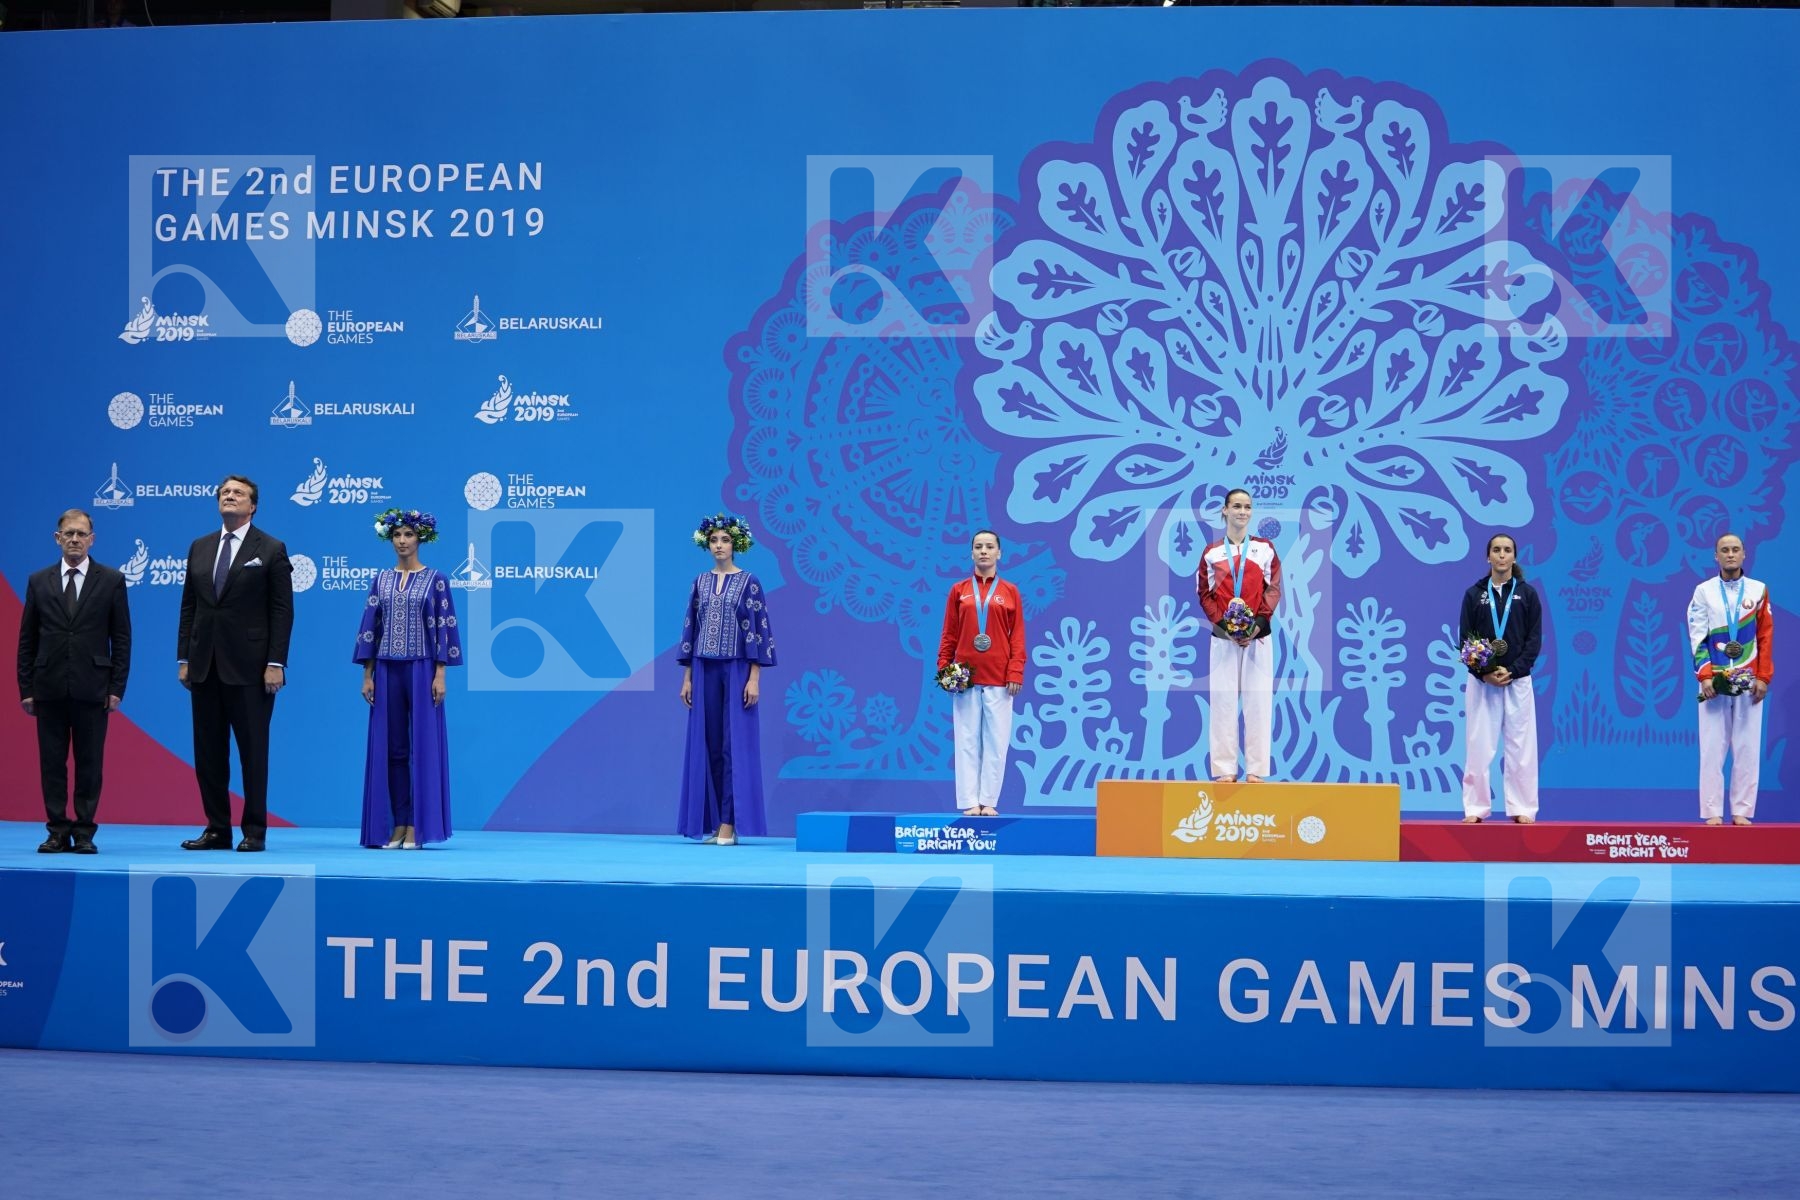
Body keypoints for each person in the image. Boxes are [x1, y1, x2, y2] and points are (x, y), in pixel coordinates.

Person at [176, 475, 293, 852]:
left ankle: (254, 830)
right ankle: (217, 829)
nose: (229, 496)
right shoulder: (200, 546)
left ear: (253, 505)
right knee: (208, 753)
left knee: (253, 753)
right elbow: (189, 606)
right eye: (224, 492)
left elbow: (282, 610)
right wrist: (184, 658)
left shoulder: (271, 548)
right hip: (204, 666)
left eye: (237, 493)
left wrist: (276, 662)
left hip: (252, 669)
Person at [16, 508, 131, 853]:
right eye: (69, 534)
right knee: (52, 763)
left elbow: (122, 638)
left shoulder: (110, 579)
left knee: (89, 764)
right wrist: (26, 687)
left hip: (93, 687)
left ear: (92, 539)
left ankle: (83, 832)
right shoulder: (39, 581)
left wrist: (116, 688)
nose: (75, 540)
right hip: (48, 687)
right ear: (57, 538)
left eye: (82, 534)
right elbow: (27, 638)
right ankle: (56, 830)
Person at [354, 509, 460, 849]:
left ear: (421, 539)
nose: (402, 541)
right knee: (393, 750)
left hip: (422, 668)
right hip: (386, 669)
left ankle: (418, 825)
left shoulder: (436, 579)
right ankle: (397, 823)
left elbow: (446, 625)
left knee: (422, 748)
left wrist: (440, 672)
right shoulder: (381, 580)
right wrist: (367, 674)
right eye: (397, 535)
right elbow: (371, 626)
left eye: (409, 535)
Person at [677, 513, 775, 845]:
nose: (719, 546)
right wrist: (688, 677)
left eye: (725, 540)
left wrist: (754, 678)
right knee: (710, 745)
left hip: (735, 669)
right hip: (704, 668)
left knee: (734, 745)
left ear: (737, 544)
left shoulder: (749, 582)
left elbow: (760, 631)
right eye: (714, 541)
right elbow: (692, 628)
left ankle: (729, 823)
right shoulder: (699, 583)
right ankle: (715, 820)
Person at [937, 530, 1026, 815]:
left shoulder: (1010, 591)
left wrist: (1016, 671)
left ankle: (989, 802)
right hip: (964, 676)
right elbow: (949, 633)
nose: (984, 551)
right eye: (978, 547)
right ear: (971, 553)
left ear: (999, 553)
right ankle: (969, 802)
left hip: (1000, 677)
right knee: (966, 741)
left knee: (997, 743)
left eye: (989, 546)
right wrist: (944, 670)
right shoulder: (958, 590)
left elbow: (1018, 637)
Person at [1688, 532, 1773, 825]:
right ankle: (1712, 811)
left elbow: (1765, 636)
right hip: (1716, 682)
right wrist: (1705, 676)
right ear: (1716, 556)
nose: (1730, 554)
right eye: (1724, 550)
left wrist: (1763, 676)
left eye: (1735, 549)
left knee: (1747, 747)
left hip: (1749, 680)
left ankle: (1742, 810)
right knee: (1712, 747)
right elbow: (1697, 636)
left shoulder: (1759, 590)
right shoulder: (1703, 591)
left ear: (1744, 554)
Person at [1457, 534, 1543, 824]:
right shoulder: (1474, 594)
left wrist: (1515, 669)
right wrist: (1484, 672)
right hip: (1483, 683)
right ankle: (1475, 808)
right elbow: (1465, 640)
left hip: (1518, 681)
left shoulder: (1528, 595)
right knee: (1479, 745)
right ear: (1488, 557)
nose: (1502, 555)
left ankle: (1523, 808)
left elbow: (1534, 640)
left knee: (1521, 746)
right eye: (1496, 550)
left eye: (1507, 550)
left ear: (1514, 557)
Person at [1198, 489, 1281, 783]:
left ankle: (1257, 770)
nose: (1242, 511)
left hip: (1258, 636)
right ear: (1225, 511)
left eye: (1247, 507)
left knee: (1258, 702)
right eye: (1236, 506)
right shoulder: (1211, 553)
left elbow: (1273, 589)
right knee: (1222, 702)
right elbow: (1205, 595)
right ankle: (1224, 770)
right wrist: (1225, 626)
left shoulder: (1265, 549)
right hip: (1223, 638)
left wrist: (1257, 623)